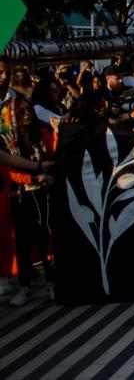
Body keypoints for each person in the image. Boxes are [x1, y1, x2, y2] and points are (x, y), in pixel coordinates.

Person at [7, 97, 54, 305]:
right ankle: (24, 287)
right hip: (19, 194)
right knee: (23, 241)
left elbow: (51, 159)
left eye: (29, 110)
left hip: (43, 192)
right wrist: (33, 176)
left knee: (44, 235)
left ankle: (51, 282)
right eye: (21, 111)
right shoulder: (8, 141)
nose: (27, 114)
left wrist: (47, 175)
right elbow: (9, 168)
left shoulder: (42, 134)